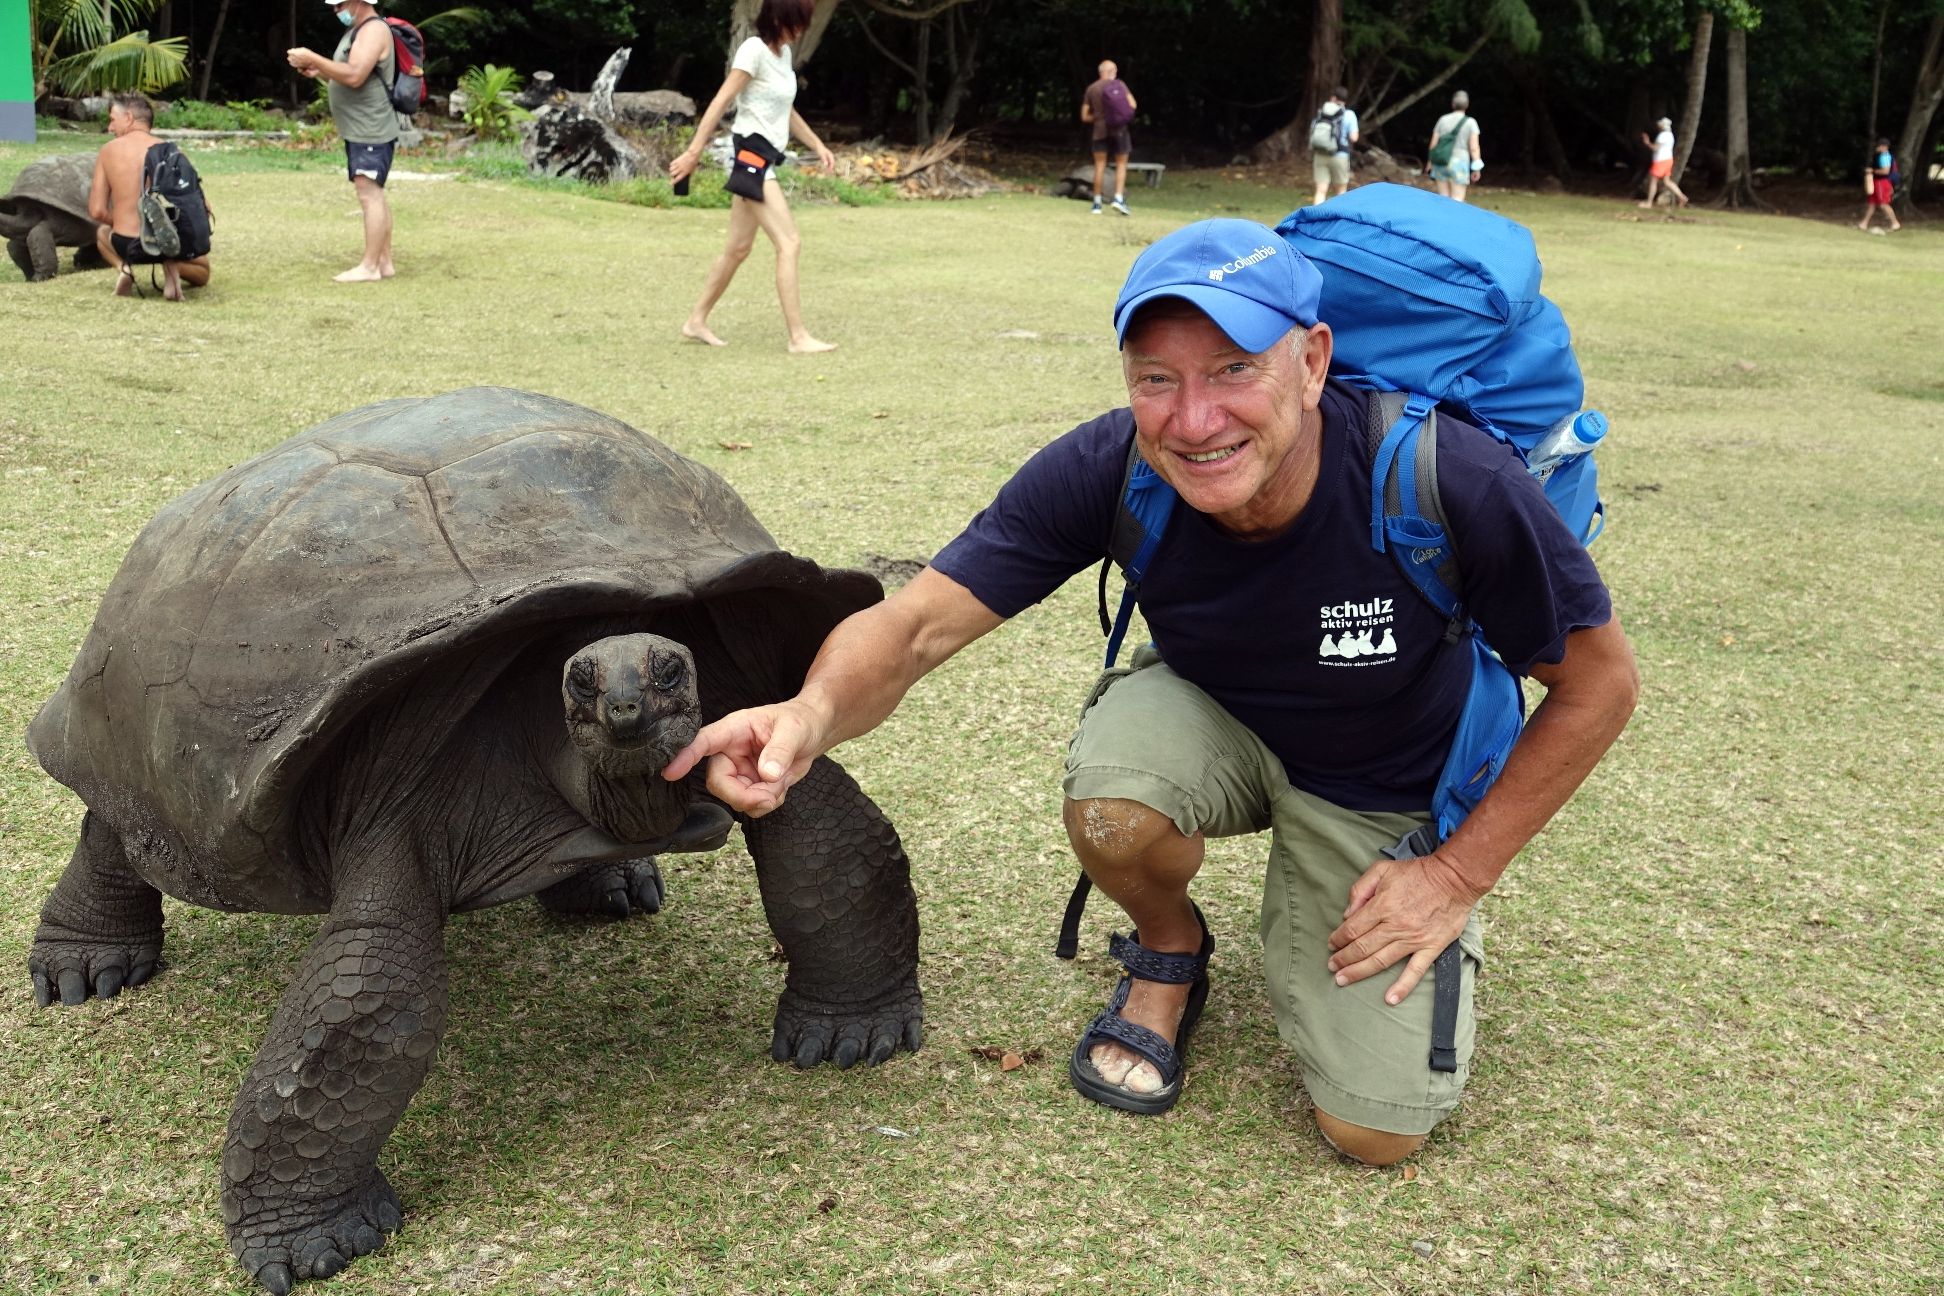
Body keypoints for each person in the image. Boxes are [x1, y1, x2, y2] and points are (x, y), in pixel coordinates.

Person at [663, 218, 1640, 1165]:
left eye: (1232, 371)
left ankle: (1354, 902)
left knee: (1375, 1131)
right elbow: (914, 626)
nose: (1194, 420)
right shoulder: (1111, 467)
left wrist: (1454, 876)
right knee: (1116, 805)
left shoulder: (1441, 477)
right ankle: (1171, 947)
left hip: (1383, 778)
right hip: (1217, 716)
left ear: (1312, 360)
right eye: (1157, 380)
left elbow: (1599, 686)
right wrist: (808, 715)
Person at [668, 0, 838, 353]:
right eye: (797, 22)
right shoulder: (753, 51)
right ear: (779, 18)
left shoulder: (783, 56)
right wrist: (693, 152)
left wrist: (818, 144)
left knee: (738, 249)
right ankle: (798, 337)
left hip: (765, 158)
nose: (801, 30)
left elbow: (785, 109)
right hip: (752, 156)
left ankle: (695, 321)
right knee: (789, 243)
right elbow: (720, 101)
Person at [287, 0, 399, 283]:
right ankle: (384, 261)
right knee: (373, 192)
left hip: (371, 128)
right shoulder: (357, 30)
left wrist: (313, 57)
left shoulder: (373, 30)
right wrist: (320, 71)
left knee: (368, 193)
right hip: (359, 127)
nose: (336, 10)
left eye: (340, 5)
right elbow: (347, 71)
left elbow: (355, 75)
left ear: (359, 2)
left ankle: (370, 267)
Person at [87, 93, 211, 300]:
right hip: (171, 244)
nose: (110, 128)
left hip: (127, 244)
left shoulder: (108, 150)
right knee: (204, 271)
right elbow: (203, 206)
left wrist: (121, 222)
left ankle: (124, 269)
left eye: (112, 119)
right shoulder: (169, 150)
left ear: (128, 118)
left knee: (102, 233)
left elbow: (97, 211)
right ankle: (171, 266)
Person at [1081, 60, 1137, 216]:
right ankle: (1118, 199)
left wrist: (1099, 118)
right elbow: (1133, 105)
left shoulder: (1091, 89)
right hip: (1119, 130)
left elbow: (1084, 116)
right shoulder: (1120, 86)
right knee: (1121, 165)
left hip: (1099, 131)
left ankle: (1097, 204)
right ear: (1111, 71)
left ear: (1100, 72)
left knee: (1099, 166)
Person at [1425, 91, 1482, 202]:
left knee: (1443, 198)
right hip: (1459, 162)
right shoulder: (1471, 123)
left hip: (1440, 162)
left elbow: (1433, 144)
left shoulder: (1443, 120)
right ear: (1467, 105)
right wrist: (1476, 168)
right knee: (1457, 199)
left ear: (1452, 105)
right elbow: (1474, 148)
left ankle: (1442, 219)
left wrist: (1430, 162)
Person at [1311, 87, 1358, 207]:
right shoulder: (1349, 114)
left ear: (1333, 98)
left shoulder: (1322, 112)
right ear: (1345, 100)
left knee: (1321, 191)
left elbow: (1313, 130)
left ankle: (1316, 220)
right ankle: (1339, 222)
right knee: (1341, 192)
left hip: (1320, 154)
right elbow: (1354, 138)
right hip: (1340, 156)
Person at [1638, 116, 1689, 210]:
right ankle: (1682, 197)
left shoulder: (1662, 136)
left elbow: (1655, 148)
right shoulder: (1670, 135)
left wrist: (1647, 142)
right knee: (1667, 181)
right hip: (1668, 160)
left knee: (1653, 181)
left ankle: (1649, 203)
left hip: (1660, 160)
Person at [1858, 137, 1901, 233]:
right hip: (1877, 182)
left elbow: (1885, 171)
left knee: (1883, 204)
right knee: (1872, 204)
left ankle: (1895, 223)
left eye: (1880, 146)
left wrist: (1872, 170)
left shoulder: (1884, 157)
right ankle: (1864, 223)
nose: (1878, 147)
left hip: (1882, 183)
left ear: (1884, 147)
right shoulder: (1880, 156)